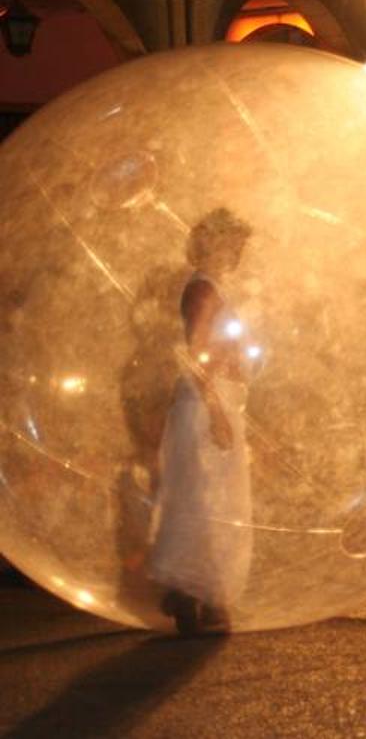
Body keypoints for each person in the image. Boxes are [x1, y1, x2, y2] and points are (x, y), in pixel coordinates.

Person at [148, 208, 256, 634]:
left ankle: (194, 596)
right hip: (205, 402)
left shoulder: (206, 287)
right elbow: (194, 350)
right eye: (234, 243)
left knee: (204, 497)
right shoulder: (203, 289)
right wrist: (215, 410)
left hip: (210, 399)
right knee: (210, 500)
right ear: (216, 243)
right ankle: (202, 597)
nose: (239, 252)